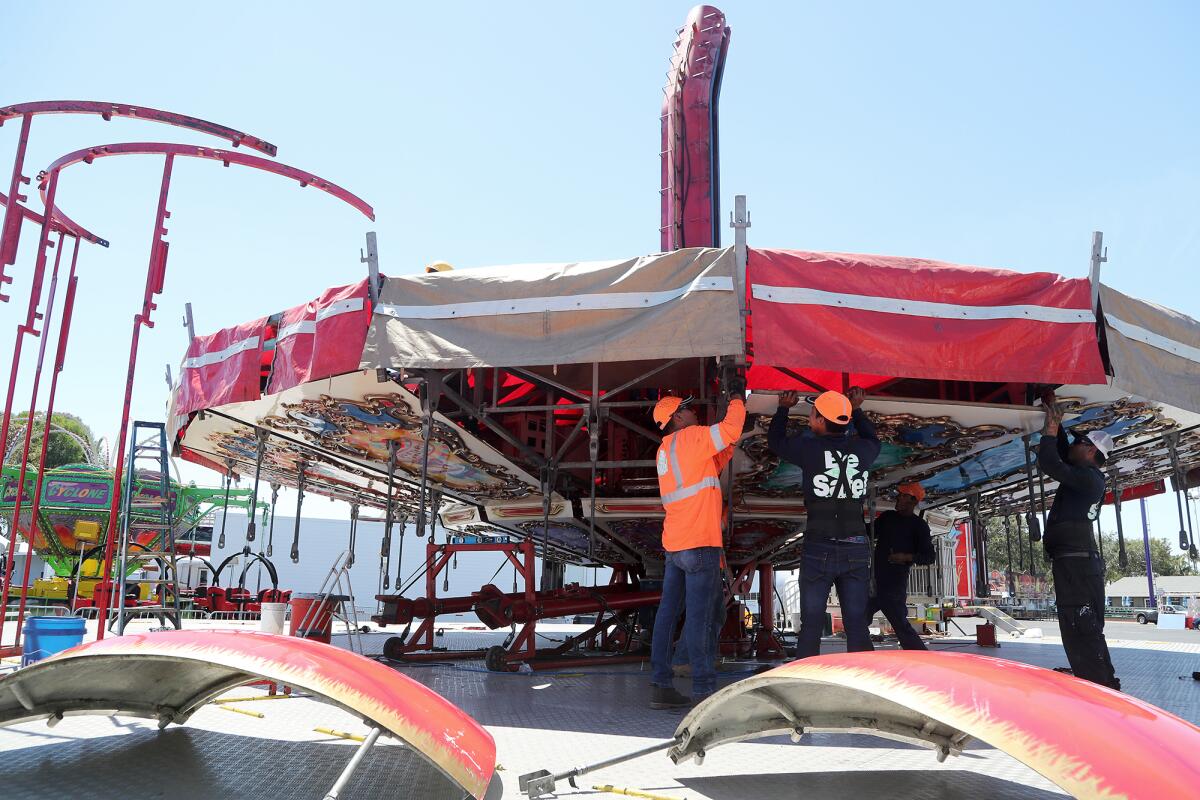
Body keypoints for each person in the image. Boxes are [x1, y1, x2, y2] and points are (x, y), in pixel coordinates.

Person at [649, 384, 745, 708]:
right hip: (700, 544)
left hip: (675, 546)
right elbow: (731, 428)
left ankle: (660, 684)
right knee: (701, 618)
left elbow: (709, 465)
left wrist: (727, 443)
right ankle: (704, 690)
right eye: (688, 408)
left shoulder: (665, 451)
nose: (693, 411)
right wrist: (736, 399)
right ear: (677, 417)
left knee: (667, 614)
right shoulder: (693, 438)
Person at [769, 387, 881, 657]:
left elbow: (776, 441)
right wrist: (856, 410)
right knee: (857, 624)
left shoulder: (809, 448)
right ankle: (865, 682)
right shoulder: (865, 450)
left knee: (811, 624)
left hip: (819, 545)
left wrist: (783, 408)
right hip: (856, 545)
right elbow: (872, 437)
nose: (809, 419)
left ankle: (805, 685)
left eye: (811, 414)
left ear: (820, 420)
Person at [1038, 389, 1120, 691]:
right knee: (1080, 626)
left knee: (1080, 625)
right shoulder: (1086, 476)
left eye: (1077, 443)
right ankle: (1100, 685)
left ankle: (1100, 688)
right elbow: (1059, 456)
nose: (1072, 446)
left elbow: (1051, 463)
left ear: (1089, 451)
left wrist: (1050, 428)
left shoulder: (1089, 478)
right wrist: (1056, 427)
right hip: (1076, 563)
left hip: (1076, 566)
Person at [868, 482, 934, 650]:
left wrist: (906, 557)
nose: (899, 498)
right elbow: (868, 531)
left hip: (894, 583)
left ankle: (921, 656)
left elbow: (929, 556)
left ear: (913, 501)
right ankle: (863, 655)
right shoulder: (888, 517)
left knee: (900, 624)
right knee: (857, 620)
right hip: (874, 579)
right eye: (899, 495)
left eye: (903, 496)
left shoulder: (918, 526)